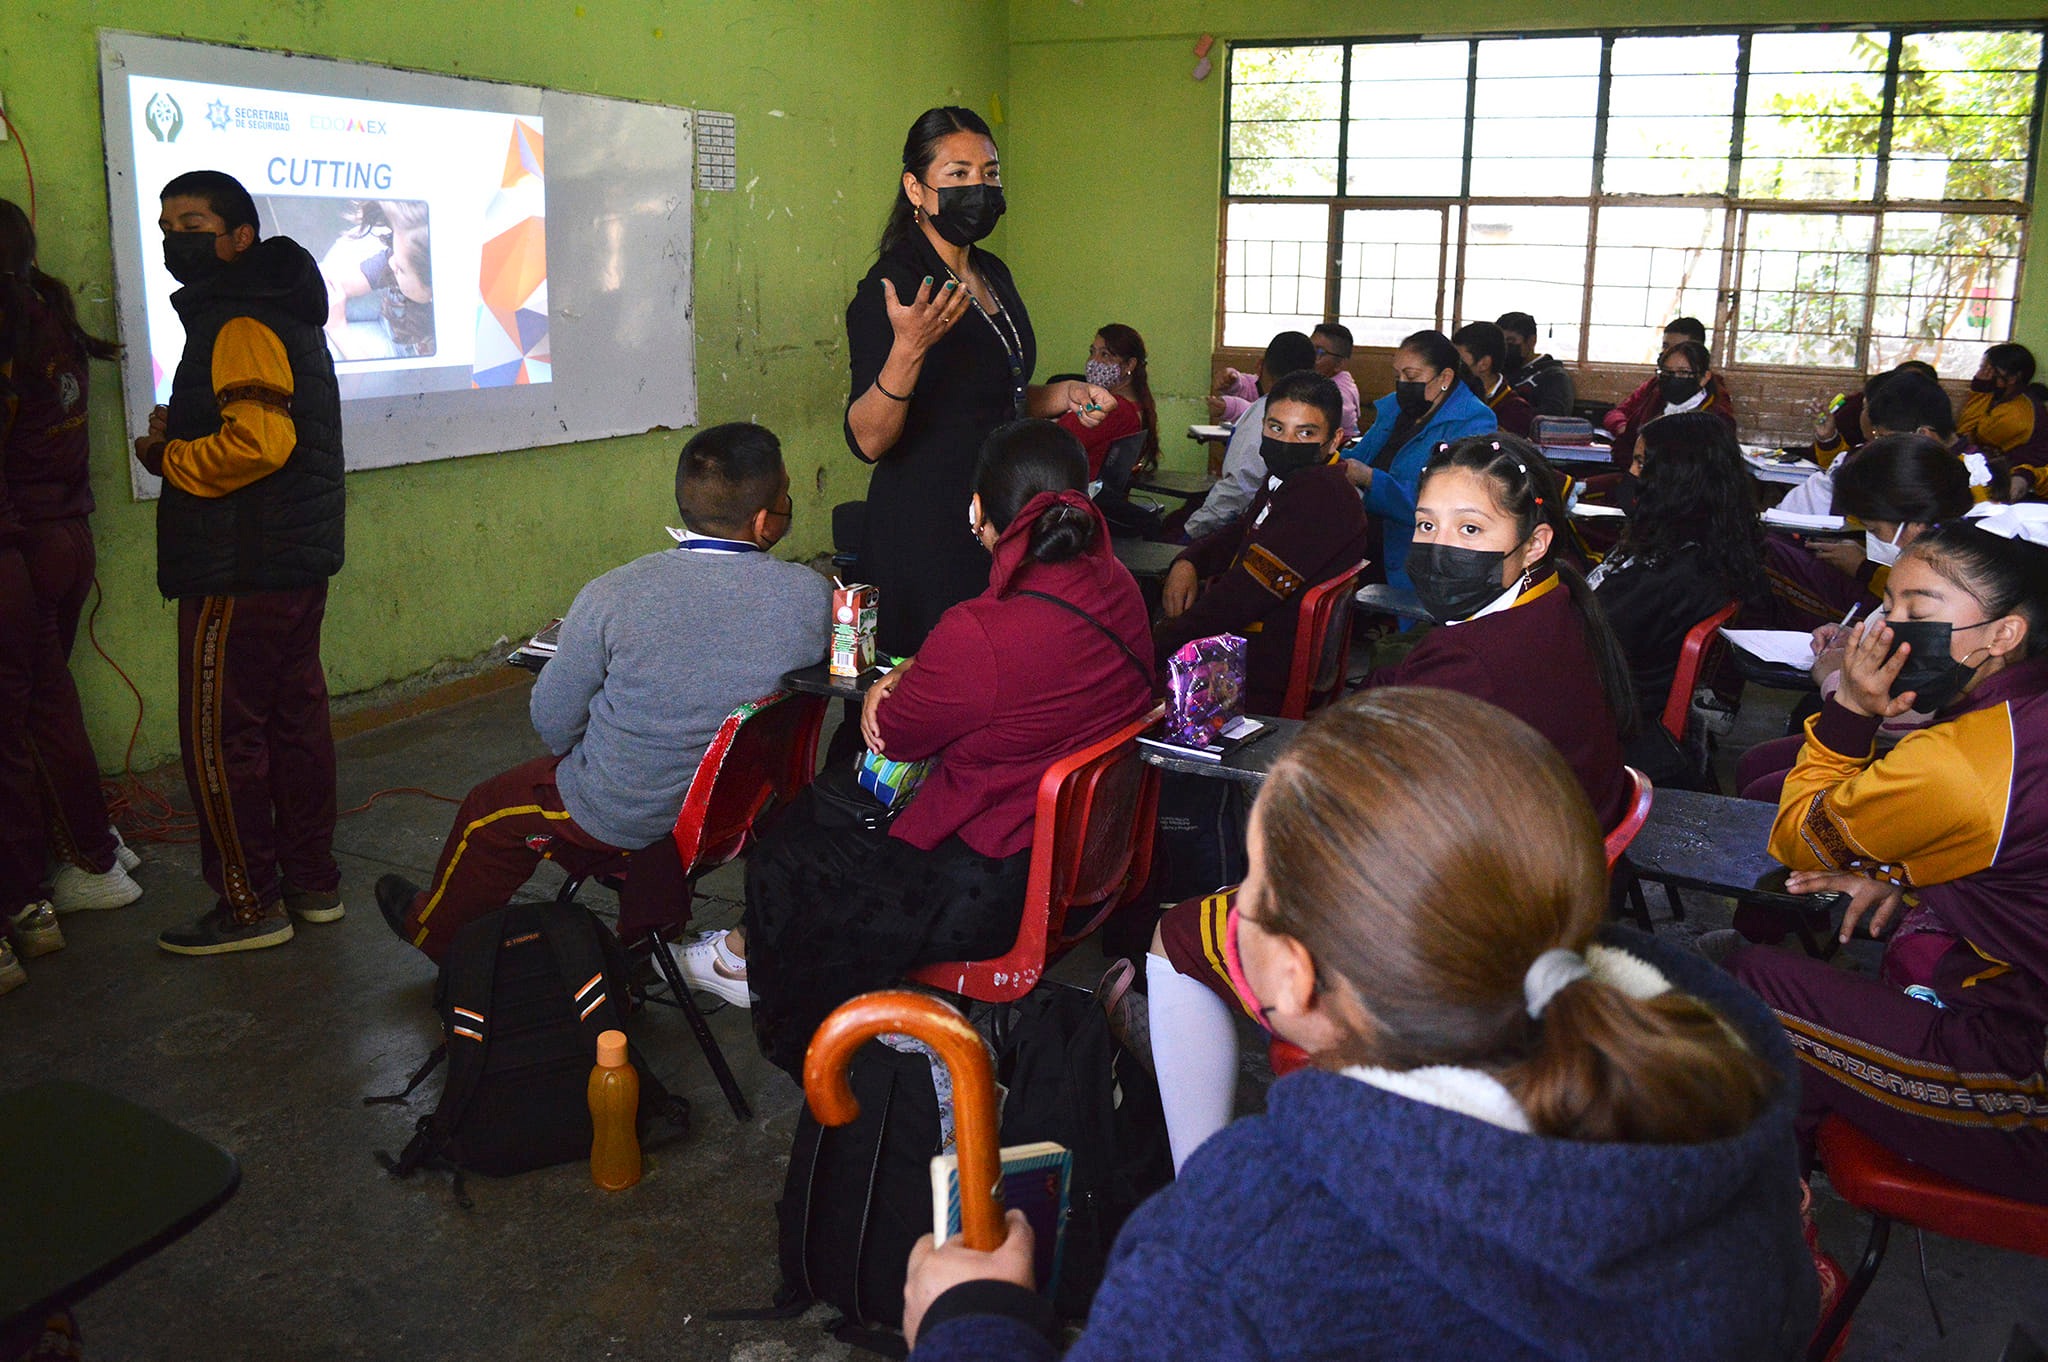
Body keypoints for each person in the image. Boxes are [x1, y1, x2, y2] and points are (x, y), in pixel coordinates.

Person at [902, 688, 1812, 1361]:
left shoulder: (1241, 1243)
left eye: (1250, 888)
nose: (1233, 904)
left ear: (1290, 981)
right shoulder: (1723, 1085)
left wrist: (971, 1320)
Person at [1148, 435, 1635, 1173]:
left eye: (1471, 530)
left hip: (1457, 946)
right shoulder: (1554, 612)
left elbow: (1363, 773)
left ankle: (1197, 1178)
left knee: (1178, 939)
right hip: (1535, 896)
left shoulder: (1472, 661)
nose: (1441, 547)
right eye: (1429, 525)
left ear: (1533, 541)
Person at [703, 420, 1153, 1075]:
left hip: (987, 881)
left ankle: (822, 1054)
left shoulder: (982, 631)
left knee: (786, 856)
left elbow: (898, 734)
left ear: (978, 510)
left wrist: (891, 683)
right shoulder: (1118, 589)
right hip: (1078, 860)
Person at [376, 423, 828, 962]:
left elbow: (553, 725)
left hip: (622, 812)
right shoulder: (812, 596)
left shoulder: (612, 594)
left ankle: (434, 933)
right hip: (736, 813)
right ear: (763, 521)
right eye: (786, 497)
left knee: (484, 810)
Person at [1724, 504, 2048, 1205]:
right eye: (1887, 602)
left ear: (2004, 633)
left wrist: (1853, 712)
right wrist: (1905, 874)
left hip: (2027, 1087)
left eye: (1917, 607)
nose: (1882, 628)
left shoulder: (1962, 763)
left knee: (1753, 987)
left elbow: (1801, 836)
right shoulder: (2024, 714)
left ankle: (1763, 1219)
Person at [130, 170, 346, 957]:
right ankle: (312, 884)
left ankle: (249, 907)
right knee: (294, 726)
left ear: (239, 237)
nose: (171, 238)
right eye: (163, 223)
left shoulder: (240, 318)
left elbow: (260, 442)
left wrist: (167, 451)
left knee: (223, 740)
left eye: (191, 222)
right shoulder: (271, 309)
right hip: (287, 563)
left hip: (240, 567)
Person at [844, 107, 1115, 658]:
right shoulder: (893, 286)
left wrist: (1060, 396)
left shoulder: (991, 270)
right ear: (915, 189)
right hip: (927, 526)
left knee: (995, 668)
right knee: (929, 676)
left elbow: (990, 395)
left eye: (989, 174)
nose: (979, 188)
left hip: (998, 516)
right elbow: (867, 440)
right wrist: (909, 350)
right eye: (958, 174)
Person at [0, 200, 141, 934]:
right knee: (47, 710)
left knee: (20, 722)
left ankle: (46, 885)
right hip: (63, 537)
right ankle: (92, 850)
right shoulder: (46, 312)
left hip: (21, 549)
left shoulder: (11, 327)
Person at [1154, 372, 1369, 714]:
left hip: (1260, 664)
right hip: (1255, 636)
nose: (1286, 442)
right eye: (1276, 427)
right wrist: (1189, 561)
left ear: (1334, 440)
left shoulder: (1322, 501)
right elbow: (1243, 530)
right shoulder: (1294, 479)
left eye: (1306, 432)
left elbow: (1242, 598)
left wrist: (1160, 640)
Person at [1587, 412, 1766, 788]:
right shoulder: (1702, 547)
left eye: (1641, 463)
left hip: (1610, 714)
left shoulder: (1670, 575)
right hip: (1633, 697)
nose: (1631, 473)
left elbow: (1584, 643)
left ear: (1677, 479)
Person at [1338, 329, 1497, 592]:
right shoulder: (1394, 410)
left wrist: (1371, 479)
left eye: (1410, 376)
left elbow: (1447, 505)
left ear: (1445, 378)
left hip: (1413, 558)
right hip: (1359, 539)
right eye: (1397, 376)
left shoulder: (1473, 422)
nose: (1401, 384)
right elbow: (1361, 456)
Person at [1764, 433, 1973, 632]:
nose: (1872, 537)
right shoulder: (1941, 548)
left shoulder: (1950, 591)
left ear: (1916, 524)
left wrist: (1865, 568)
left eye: (1874, 529)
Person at [1183, 332, 1317, 541]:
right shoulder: (1316, 414)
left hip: (1248, 529)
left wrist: (1193, 531)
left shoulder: (1265, 416)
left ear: (1260, 366)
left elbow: (1239, 488)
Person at [1601, 337, 1737, 467]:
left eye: (1683, 373)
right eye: (1667, 373)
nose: (1674, 379)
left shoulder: (1717, 418)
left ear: (1704, 378)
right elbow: (1624, 444)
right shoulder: (1654, 401)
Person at [1216, 324, 1359, 443]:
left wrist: (1233, 407)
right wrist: (1236, 383)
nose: (1310, 356)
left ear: (1339, 364)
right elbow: (1262, 384)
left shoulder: (1338, 395)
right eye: (1309, 348)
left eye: (1319, 352)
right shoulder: (1307, 381)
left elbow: (1287, 416)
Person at [1057, 324, 1154, 482]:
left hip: (1081, 498)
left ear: (1130, 365)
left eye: (1105, 355)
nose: (1093, 361)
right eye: (1092, 352)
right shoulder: (1137, 405)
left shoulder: (1113, 409)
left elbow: (1054, 440)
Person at [1452, 320, 1536, 437]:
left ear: (1484, 364)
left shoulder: (1516, 411)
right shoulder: (1452, 395)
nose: (1451, 367)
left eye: (1459, 361)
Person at [1496, 310, 1576, 416]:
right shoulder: (1499, 372)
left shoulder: (1555, 377)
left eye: (1510, 341)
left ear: (1531, 341)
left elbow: (1554, 417)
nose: (1505, 347)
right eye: (1501, 342)